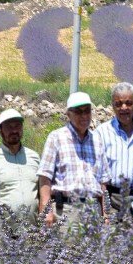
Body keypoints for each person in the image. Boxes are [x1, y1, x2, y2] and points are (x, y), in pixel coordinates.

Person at [37, 92, 109, 228]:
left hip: (93, 210)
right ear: (68, 114)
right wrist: (46, 211)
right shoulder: (56, 137)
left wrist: (105, 213)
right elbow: (44, 177)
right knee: (67, 249)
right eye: (78, 112)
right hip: (66, 211)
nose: (84, 116)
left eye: (87, 111)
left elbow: (103, 182)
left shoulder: (97, 140)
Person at [95, 82, 133, 218]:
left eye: (128, 103)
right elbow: (98, 172)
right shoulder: (102, 132)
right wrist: (104, 209)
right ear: (113, 106)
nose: (124, 108)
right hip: (112, 198)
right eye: (118, 104)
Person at [0, 109, 41, 219]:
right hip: (4, 232)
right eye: (9, 127)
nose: (14, 130)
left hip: (33, 231)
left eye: (17, 126)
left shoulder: (34, 157)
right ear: (0, 131)